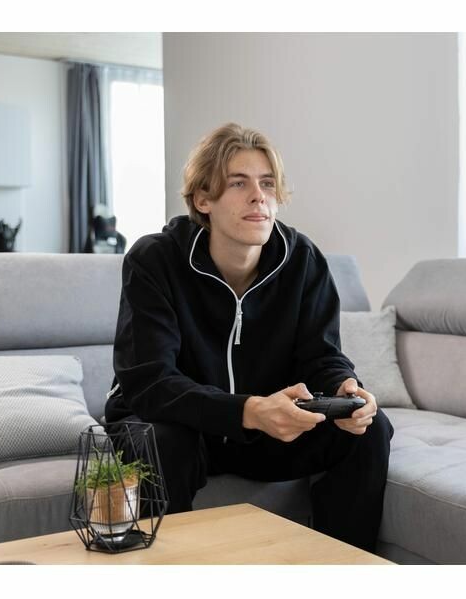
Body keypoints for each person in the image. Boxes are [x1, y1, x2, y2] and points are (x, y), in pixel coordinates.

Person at [104, 123, 393, 553]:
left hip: (266, 431)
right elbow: (150, 383)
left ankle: (343, 571)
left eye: (267, 183)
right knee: (164, 443)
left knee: (369, 430)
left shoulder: (303, 259)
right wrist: (248, 411)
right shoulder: (155, 259)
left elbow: (322, 355)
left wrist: (344, 389)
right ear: (203, 200)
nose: (259, 196)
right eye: (239, 183)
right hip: (180, 425)